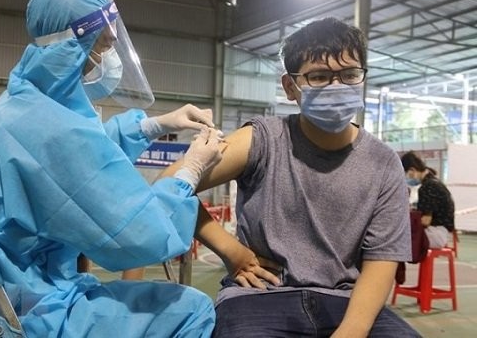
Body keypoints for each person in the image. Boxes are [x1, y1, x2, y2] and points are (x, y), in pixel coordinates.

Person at [0, 0, 222, 337]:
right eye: (103, 43)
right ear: (71, 44)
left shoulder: (23, 104)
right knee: (193, 309)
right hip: (35, 312)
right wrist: (190, 170)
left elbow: (82, 155)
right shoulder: (42, 127)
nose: (111, 51)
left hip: (12, 294)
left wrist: (153, 125)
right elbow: (141, 234)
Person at [162, 17, 420, 337]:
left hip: (347, 301)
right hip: (260, 295)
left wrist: (352, 329)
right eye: (319, 76)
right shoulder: (263, 139)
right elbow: (169, 184)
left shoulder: (383, 163)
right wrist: (229, 249)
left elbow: (382, 259)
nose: (336, 87)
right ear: (290, 87)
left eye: (350, 75)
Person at [401, 151, 455, 248]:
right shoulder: (434, 182)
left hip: (436, 234)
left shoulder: (428, 187)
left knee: (395, 239)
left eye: (406, 174)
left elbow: (425, 221)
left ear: (412, 170)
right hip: (441, 233)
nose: (407, 178)